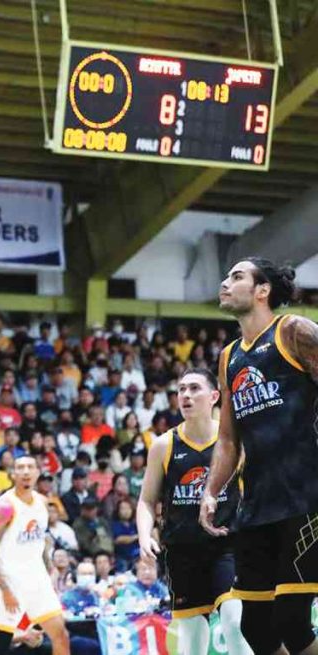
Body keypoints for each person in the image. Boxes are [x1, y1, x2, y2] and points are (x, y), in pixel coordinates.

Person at [202, 258, 318, 654]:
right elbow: (228, 438)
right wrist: (210, 490)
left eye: (237, 277)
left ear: (262, 290)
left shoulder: (294, 332)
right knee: (255, 628)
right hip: (255, 505)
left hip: (305, 497)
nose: (225, 282)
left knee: (292, 619)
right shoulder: (229, 356)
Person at [137, 368, 248, 655]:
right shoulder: (163, 445)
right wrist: (143, 535)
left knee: (235, 624)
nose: (186, 395)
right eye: (181, 389)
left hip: (229, 545)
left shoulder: (235, 441)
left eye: (194, 388)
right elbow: (146, 501)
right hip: (183, 550)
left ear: (214, 396)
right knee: (192, 642)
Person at [0, 455, 69, 654]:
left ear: (37, 472)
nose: (26, 472)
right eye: (20, 468)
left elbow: (41, 541)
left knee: (61, 635)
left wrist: (50, 570)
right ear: (13, 474)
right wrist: (5, 589)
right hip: (10, 581)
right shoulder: (5, 506)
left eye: (30, 467)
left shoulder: (44, 502)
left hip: (37, 579)